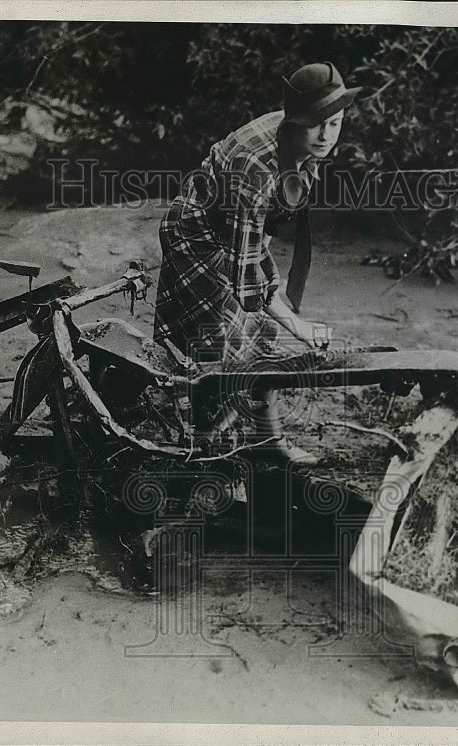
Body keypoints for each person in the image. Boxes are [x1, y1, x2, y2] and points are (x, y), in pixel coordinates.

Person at [153, 61, 360, 465]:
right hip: (197, 234)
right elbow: (245, 277)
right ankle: (200, 448)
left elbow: (265, 227)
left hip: (234, 228)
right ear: (295, 121)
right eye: (316, 125)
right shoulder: (257, 167)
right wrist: (296, 323)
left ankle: (266, 442)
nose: (325, 136)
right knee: (218, 342)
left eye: (334, 124)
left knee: (253, 330)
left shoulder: (302, 142)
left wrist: (264, 286)